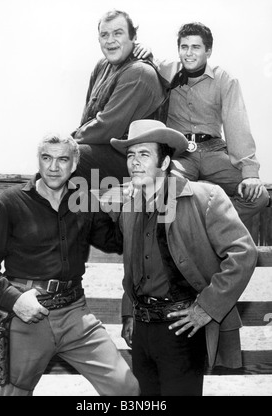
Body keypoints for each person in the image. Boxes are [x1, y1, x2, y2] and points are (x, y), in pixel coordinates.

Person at [0, 134, 139, 396]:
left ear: (74, 165)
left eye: (63, 159)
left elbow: (115, 241)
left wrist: (133, 205)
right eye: (47, 158)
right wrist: (14, 301)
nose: (53, 167)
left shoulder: (84, 200)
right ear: (38, 161)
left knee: (125, 388)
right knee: (14, 393)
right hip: (27, 313)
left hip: (76, 314)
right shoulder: (11, 202)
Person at [110, 119, 258, 396]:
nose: (134, 163)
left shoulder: (206, 197)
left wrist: (206, 308)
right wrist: (129, 314)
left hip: (182, 327)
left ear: (164, 163)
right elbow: (133, 267)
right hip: (142, 329)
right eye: (130, 155)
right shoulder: (129, 208)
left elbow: (243, 253)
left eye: (144, 154)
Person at [136, 22, 269, 226]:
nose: (189, 53)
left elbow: (237, 125)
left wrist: (250, 173)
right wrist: (145, 51)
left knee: (259, 198)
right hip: (181, 154)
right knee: (162, 192)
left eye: (196, 47)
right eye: (184, 47)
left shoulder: (225, 79)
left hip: (214, 152)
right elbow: (145, 60)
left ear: (208, 50)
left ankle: (207, 224)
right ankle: (196, 229)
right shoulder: (168, 71)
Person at [71, 9, 167, 187]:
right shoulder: (102, 66)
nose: (110, 40)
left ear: (133, 37)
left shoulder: (139, 72)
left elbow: (108, 127)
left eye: (118, 33)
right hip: (105, 150)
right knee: (59, 156)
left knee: (70, 156)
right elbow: (87, 119)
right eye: (104, 34)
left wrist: (68, 142)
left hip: (135, 160)